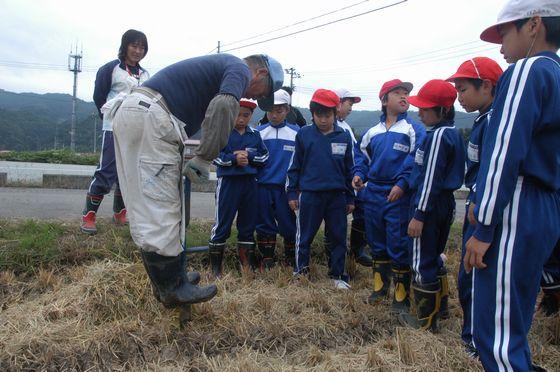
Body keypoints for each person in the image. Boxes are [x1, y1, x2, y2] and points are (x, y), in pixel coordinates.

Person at [112, 53, 284, 308]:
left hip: (139, 112)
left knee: (149, 204)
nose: (257, 98)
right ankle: (172, 288)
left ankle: (168, 281)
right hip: (152, 116)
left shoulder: (222, 67)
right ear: (260, 73)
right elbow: (224, 107)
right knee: (161, 205)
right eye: (262, 93)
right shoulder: (239, 69)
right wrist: (205, 157)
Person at [464, 1, 560, 369]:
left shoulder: (527, 71)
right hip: (545, 205)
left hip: (517, 203)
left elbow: (505, 150)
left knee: (497, 336)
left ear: (534, 25)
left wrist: (485, 224)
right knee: (514, 321)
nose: (500, 47)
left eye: (504, 33)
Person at [446, 56, 503, 356]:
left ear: (487, 86)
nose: (459, 97)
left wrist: (478, 197)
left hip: (481, 209)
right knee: (468, 275)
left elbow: (493, 165)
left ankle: (478, 342)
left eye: (463, 88)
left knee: (475, 274)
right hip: (475, 204)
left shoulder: (495, 120)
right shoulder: (483, 120)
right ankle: (472, 335)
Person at [352, 79, 426, 312]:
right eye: (398, 93)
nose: (404, 97)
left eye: (406, 93)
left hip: (398, 194)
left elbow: (417, 160)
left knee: (398, 241)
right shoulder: (371, 132)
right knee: (376, 240)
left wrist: (403, 184)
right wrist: (359, 174)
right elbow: (362, 158)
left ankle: (401, 295)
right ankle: (379, 287)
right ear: (384, 100)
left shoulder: (414, 129)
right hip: (373, 192)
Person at [399, 79, 465, 331]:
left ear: (443, 110)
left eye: (425, 109)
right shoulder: (453, 134)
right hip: (443, 203)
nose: (419, 112)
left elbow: (429, 180)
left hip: (429, 203)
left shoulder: (437, 136)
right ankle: (441, 308)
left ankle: (426, 321)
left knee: (420, 259)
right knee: (434, 255)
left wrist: (419, 214)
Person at [81, 29, 150, 234]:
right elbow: (99, 96)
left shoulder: (145, 74)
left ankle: (120, 213)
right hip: (113, 127)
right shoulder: (111, 69)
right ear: (125, 46)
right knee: (107, 170)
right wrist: (109, 116)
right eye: (134, 45)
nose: (138, 51)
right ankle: (89, 215)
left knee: (128, 172)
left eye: (142, 47)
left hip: (136, 128)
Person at [286, 89, 355, 289]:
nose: (323, 120)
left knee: (338, 236)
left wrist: (350, 198)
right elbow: (294, 167)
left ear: (335, 113)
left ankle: (337, 275)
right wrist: (292, 192)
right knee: (304, 235)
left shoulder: (344, 136)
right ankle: (301, 272)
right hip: (310, 195)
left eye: (327, 115)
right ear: (312, 114)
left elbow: (349, 170)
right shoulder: (304, 135)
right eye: (319, 115)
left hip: (337, 196)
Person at [208, 99, 269, 277]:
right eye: (237, 114)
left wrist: (249, 157)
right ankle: (216, 270)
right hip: (228, 182)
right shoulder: (223, 133)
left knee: (248, 225)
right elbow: (214, 155)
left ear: (251, 116)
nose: (241, 119)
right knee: (222, 224)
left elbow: (265, 157)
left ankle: (246, 267)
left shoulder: (255, 135)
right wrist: (234, 159)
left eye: (246, 115)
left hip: (250, 183)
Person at [255, 89, 300, 269]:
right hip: (262, 186)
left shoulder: (297, 134)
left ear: (287, 110)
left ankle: (290, 258)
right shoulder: (257, 132)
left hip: (286, 188)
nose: (274, 115)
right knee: (264, 222)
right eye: (271, 110)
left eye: (279, 110)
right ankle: (267, 258)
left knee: (289, 223)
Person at [329, 89, 372, 268]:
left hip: (353, 177)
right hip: (338, 180)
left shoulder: (346, 126)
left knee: (360, 210)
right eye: (350, 104)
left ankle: (357, 249)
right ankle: (333, 256)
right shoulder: (329, 126)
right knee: (335, 219)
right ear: (338, 103)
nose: (351, 109)